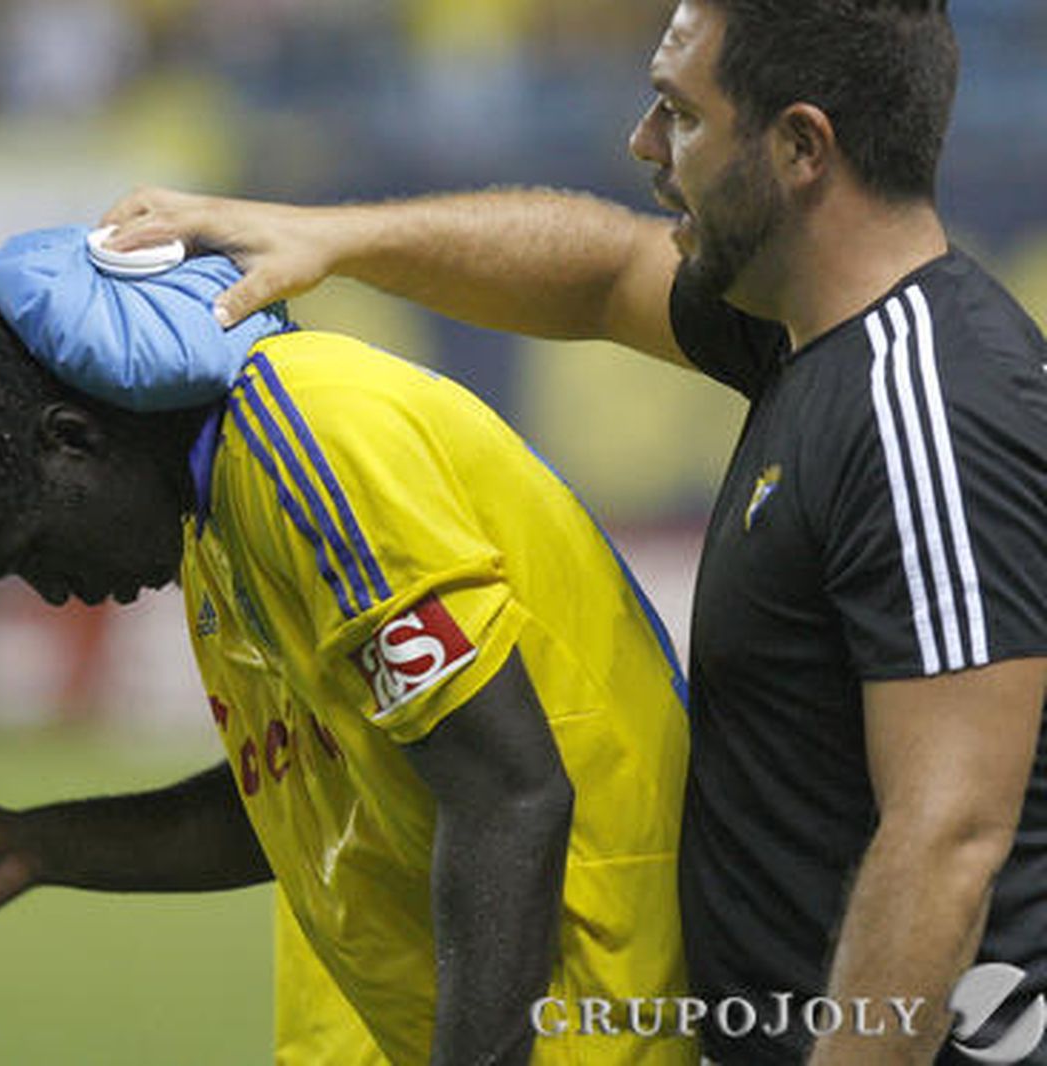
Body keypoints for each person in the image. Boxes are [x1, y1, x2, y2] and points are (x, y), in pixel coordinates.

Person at [94, 2, 1047, 1064]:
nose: (642, 142)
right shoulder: (808, 342)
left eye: (681, 115)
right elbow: (598, 272)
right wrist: (332, 237)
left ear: (799, 147)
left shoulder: (927, 404)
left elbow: (947, 839)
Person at [0, 228, 694, 1065]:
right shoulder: (215, 516)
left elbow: (509, 798)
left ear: (72, 442)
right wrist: (38, 846)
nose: (56, 594)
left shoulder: (308, 439)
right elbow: (308, 801)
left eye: (33, 552)